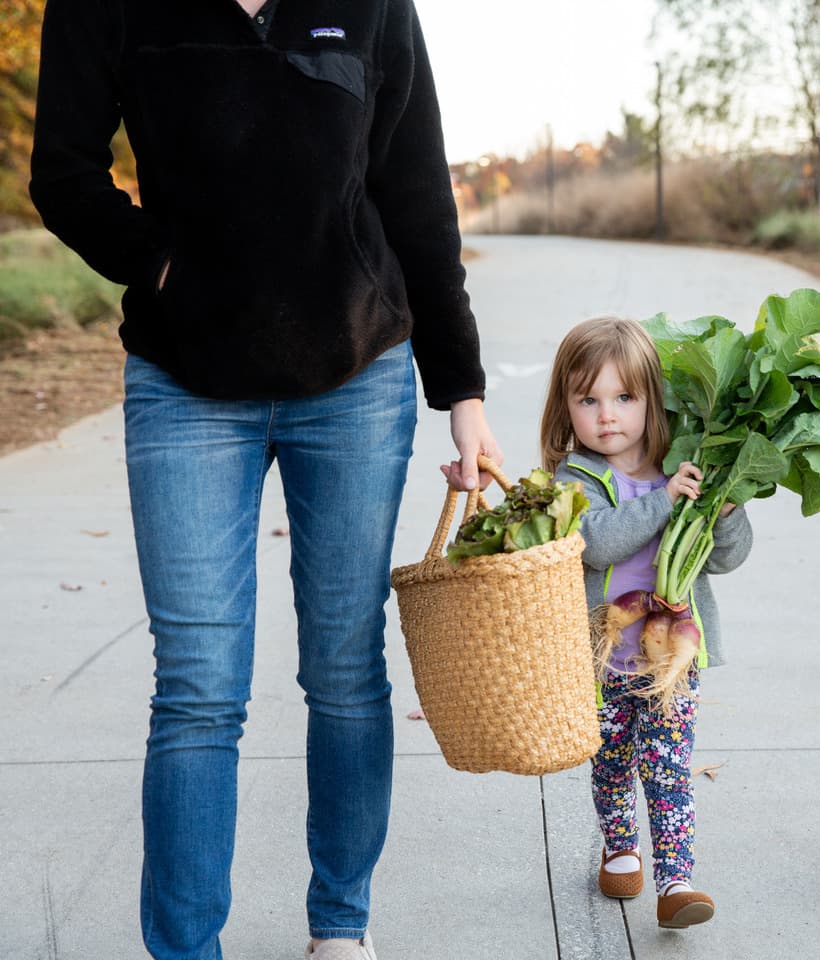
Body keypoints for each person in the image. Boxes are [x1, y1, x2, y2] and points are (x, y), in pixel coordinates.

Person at [28, 0, 500, 958]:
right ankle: (187, 949)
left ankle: (340, 926)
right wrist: (153, 263)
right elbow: (62, 172)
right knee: (199, 684)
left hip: (355, 379)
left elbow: (415, 197)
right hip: (184, 381)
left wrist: (463, 389)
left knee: (342, 667)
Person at [539, 316, 753, 930]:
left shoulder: (684, 469)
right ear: (567, 408)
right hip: (602, 656)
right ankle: (620, 846)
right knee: (609, 762)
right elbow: (598, 544)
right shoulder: (574, 479)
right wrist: (664, 500)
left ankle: (676, 880)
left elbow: (728, 557)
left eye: (625, 398)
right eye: (589, 399)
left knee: (667, 766)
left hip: (671, 659)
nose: (608, 415)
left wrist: (726, 508)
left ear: (651, 401)